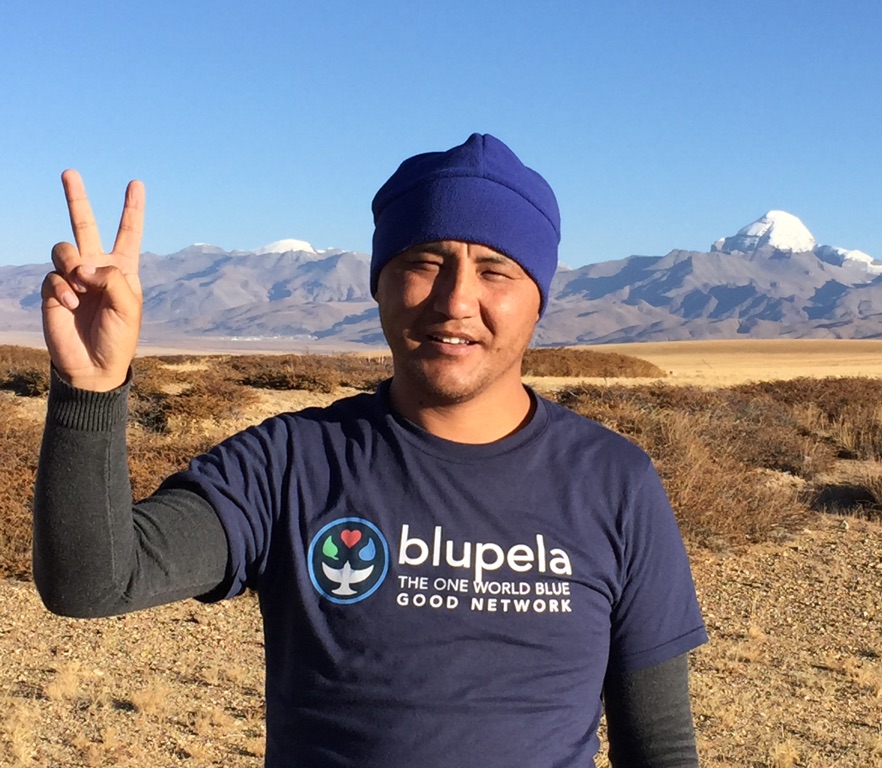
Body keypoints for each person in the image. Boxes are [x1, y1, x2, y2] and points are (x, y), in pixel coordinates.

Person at [34, 134, 707, 767]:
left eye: (495, 270)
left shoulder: (613, 482)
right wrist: (90, 390)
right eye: (424, 263)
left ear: (540, 299)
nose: (456, 300)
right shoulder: (290, 464)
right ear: (379, 284)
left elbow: (660, 746)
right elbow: (93, 581)